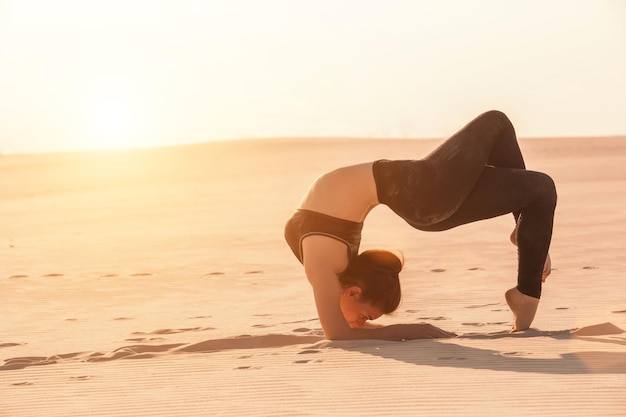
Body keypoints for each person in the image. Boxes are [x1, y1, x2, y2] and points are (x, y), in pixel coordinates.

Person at [284, 110, 557, 341]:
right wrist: (416, 330)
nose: (361, 323)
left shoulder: (323, 268)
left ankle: (528, 240)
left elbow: (338, 335)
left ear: (354, 292)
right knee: (538, 186)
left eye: (365, 318)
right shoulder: (334, 265)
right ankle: (527, 286)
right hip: (420, 196)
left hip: (419, 190)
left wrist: (418, 329)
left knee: (499, 127)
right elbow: (341, 334)